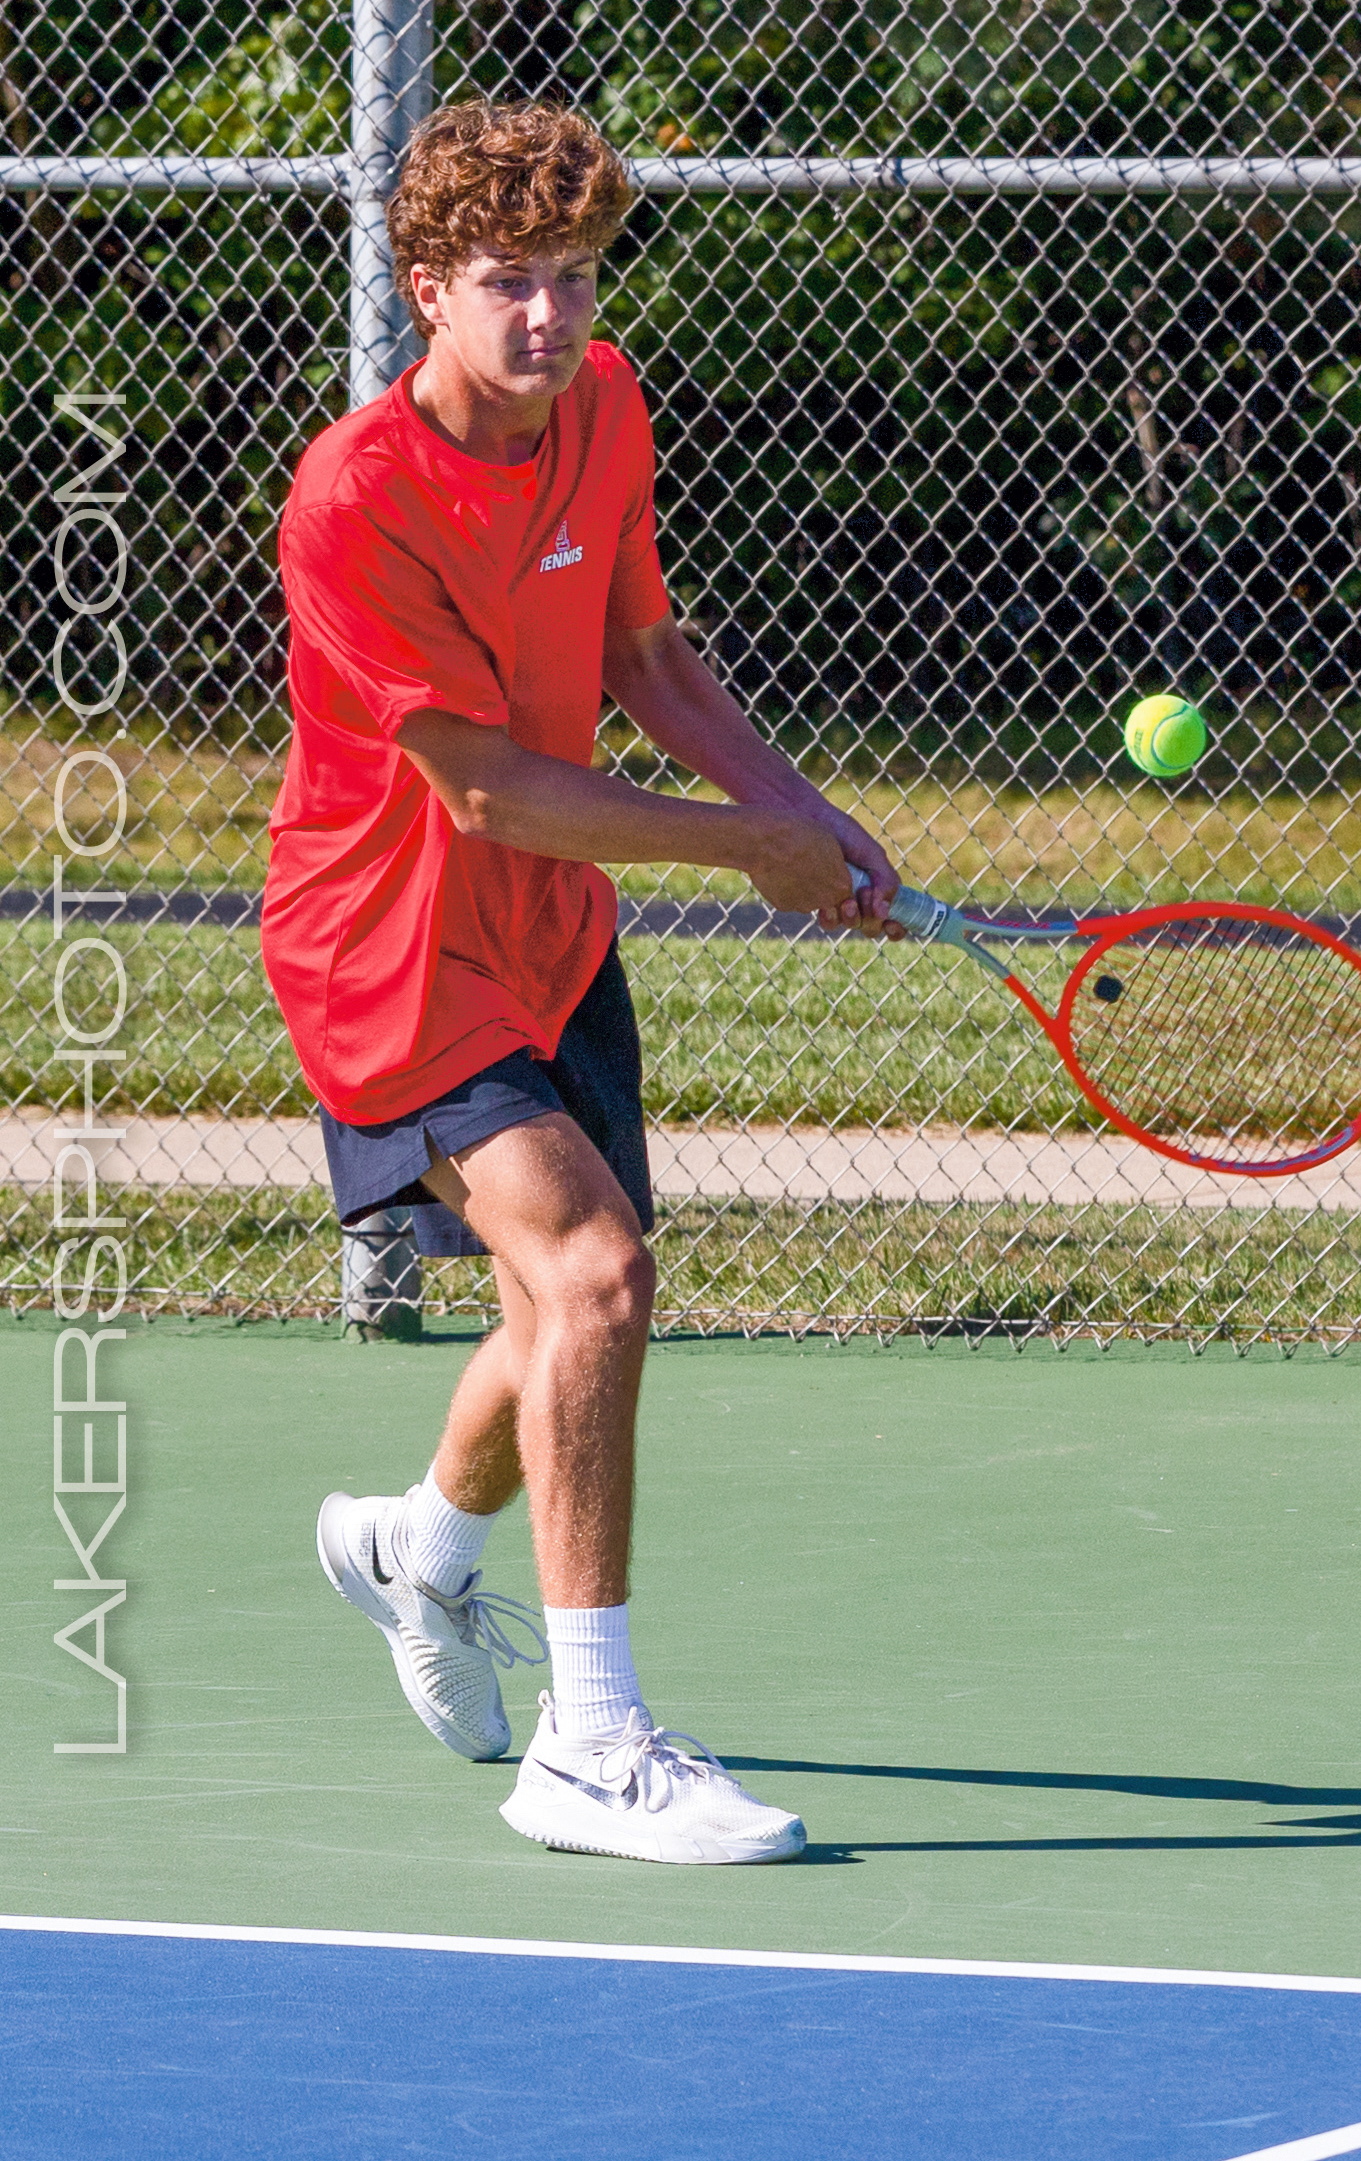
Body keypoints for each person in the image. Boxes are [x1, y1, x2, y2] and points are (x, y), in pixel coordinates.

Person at [261, 95, 900, 1866]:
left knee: (556, 1310)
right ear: (425, 290)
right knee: (600, 1276)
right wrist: (745, 849)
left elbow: (646, 652)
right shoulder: (355, 497)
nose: (548, 316)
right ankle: (590, 1748)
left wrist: (803, 817)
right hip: (391, 949)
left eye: (574, 276)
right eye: (507, 281)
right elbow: (482, 787)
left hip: (547, 932)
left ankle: (416, 1548)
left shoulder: (603, 404)